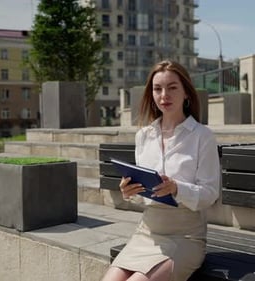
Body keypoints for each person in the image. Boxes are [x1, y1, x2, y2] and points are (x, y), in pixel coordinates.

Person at [101, 60, 220, 281]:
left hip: (186, 236)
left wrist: (176, 188)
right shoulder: (144, 135)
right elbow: (145, 195)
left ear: (186, 93)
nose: (164, 94)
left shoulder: (202, 136)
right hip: (147, 233)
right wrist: (131, 193)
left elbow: (210, 194)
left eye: (172, 87)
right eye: (158, 89)